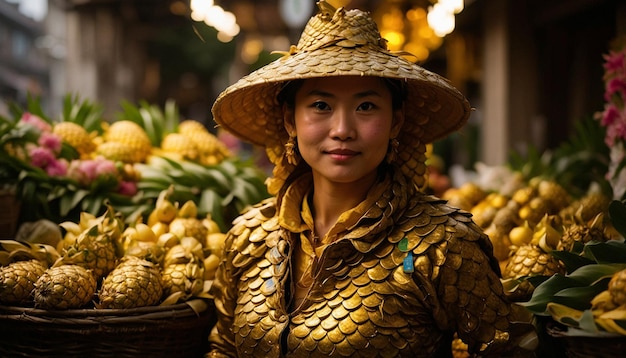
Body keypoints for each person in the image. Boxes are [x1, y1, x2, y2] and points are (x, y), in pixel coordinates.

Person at [207, 1, 536, 357]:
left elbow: (508, 348)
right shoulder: (249, 237)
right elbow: (223, 348)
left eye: (366, 107)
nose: (343, 130)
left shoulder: (444, 245)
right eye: (321, 105)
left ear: (396, 121)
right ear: (290, 120)